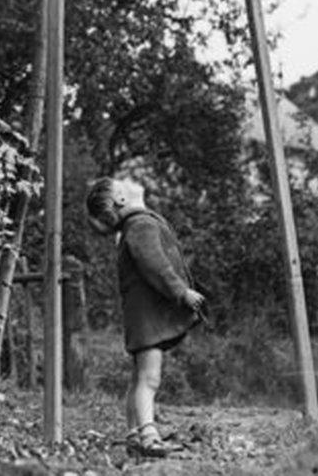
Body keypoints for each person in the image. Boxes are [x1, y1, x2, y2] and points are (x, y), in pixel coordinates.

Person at [86, 174, 207, 461]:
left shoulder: (137, 224)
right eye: (122, 183)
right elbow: (156, 265)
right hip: (148, 318)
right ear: (121, 200)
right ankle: (149, 436)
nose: (129, 181)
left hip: (143, 316)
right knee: (149, 379)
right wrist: (182, 293)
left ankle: (134, 434)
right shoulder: (140, 226)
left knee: (139, 377)